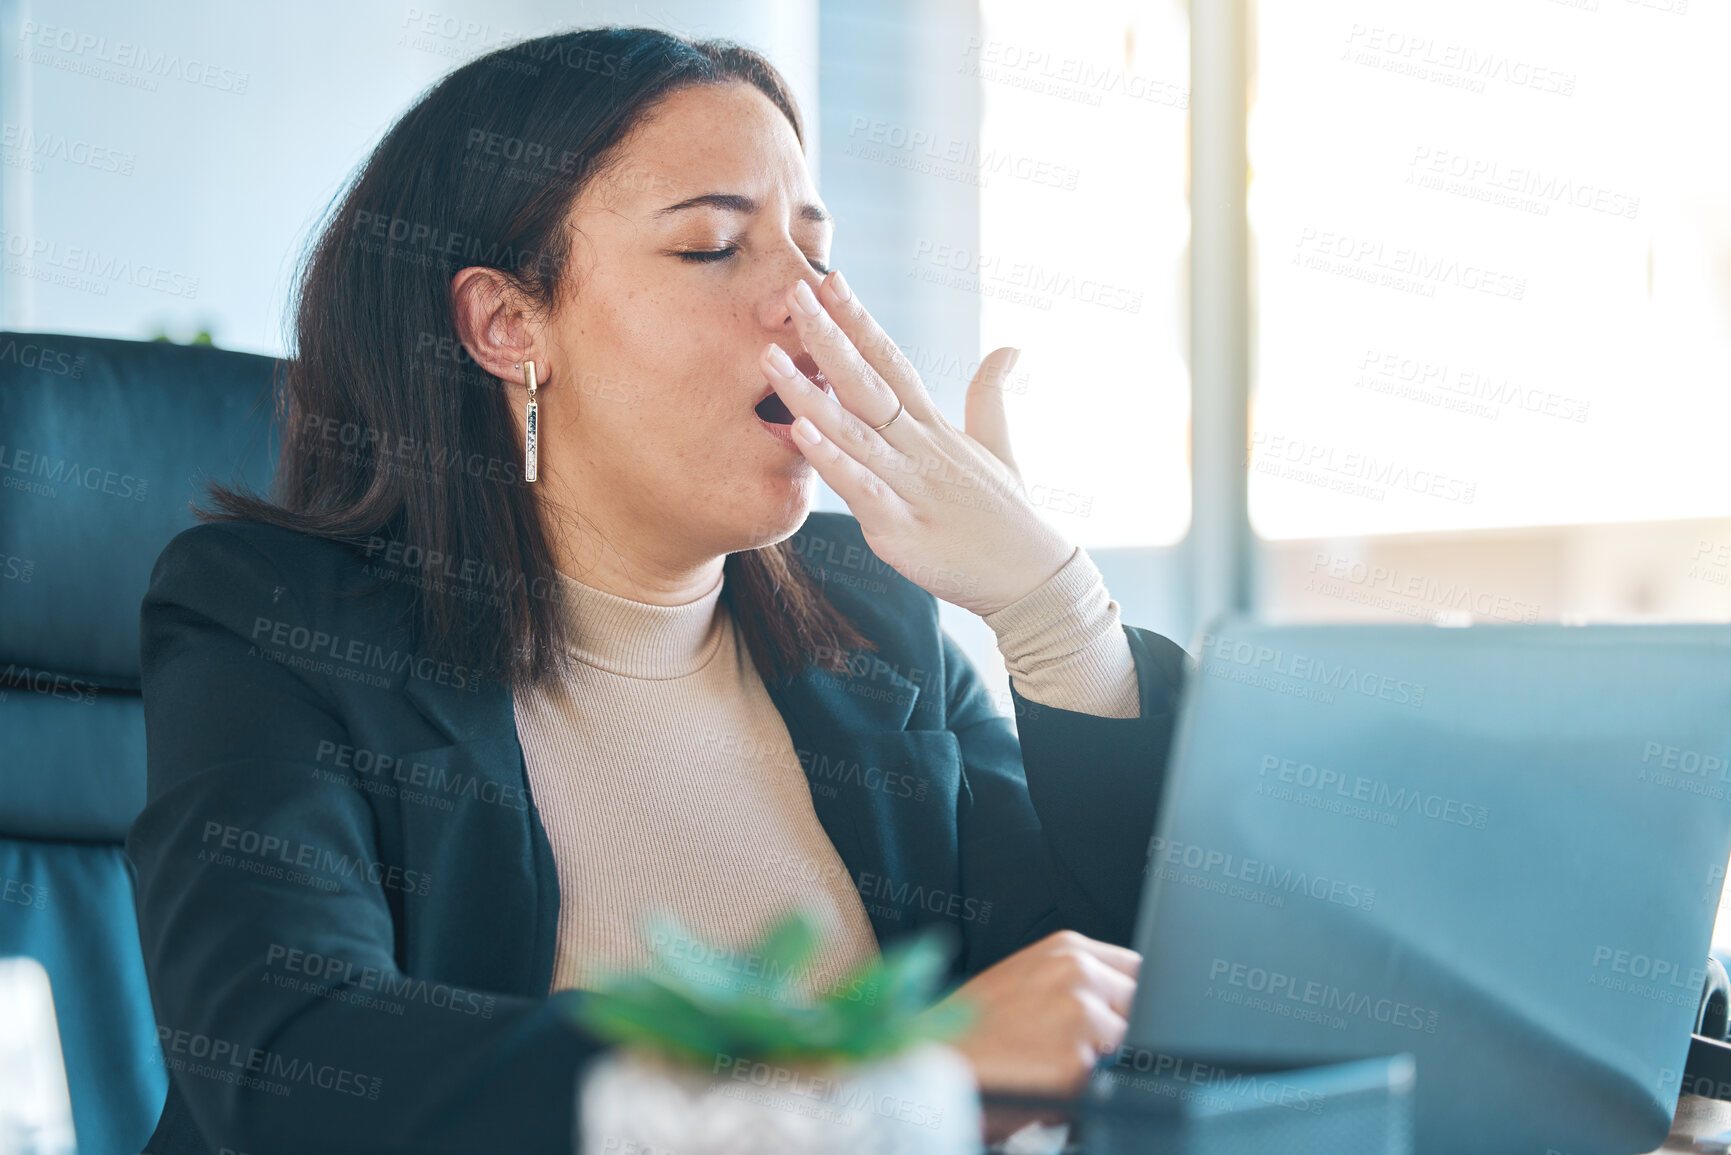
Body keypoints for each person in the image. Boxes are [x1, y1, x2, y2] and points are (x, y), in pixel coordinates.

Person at [126, 25, 1188, 1154]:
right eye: (714, 248)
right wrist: (874, 1075)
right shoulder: (273, 617)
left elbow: (1130, 1005)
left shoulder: (876, 625)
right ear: (508, 325)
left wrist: (1049, 608)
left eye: (815, 252)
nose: (809, 304)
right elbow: (292, 1062)